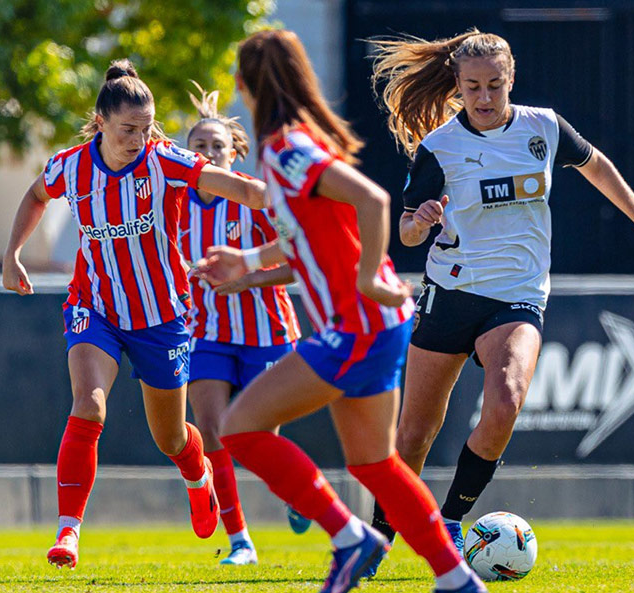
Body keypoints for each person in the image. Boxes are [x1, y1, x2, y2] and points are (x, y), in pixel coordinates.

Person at [364, 29, 634, 570]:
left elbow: (598, 166)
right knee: (414, 435)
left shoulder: (543, 127)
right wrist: (418, 222)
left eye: (495, 85)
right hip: (449, 293)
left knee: (506, 400)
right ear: (457, 86)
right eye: (473, 87)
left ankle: (448, 524)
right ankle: (377, 539)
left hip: (517, 297)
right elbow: (403, 232)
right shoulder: (440, 147)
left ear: (510, 80)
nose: (486, 97)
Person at [193, 30, 487, 593]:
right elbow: (310, 235)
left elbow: (372, 201)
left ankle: (350, 539)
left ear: (247, 83)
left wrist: (365, 281)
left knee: (237, 429)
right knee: (374, 465)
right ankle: (455, 578)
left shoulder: (286, 146)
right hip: (374, 325)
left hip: (357, 325)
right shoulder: (289, 144)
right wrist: (247, 261)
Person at [1, 59, 269, 569]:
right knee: (90, 404)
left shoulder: (163, 159)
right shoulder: (71, 165)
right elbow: (36, 195)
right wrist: (13, 252)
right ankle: (69, 532)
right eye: (128, 129)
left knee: (170, 437)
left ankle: (196, 476)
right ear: (100, 122)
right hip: (94, 306)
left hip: (161, 317)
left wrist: (285, 199)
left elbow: (233, 186)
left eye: (146, 129)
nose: (138, 138)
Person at [180, 84, 306, 565]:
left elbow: (301, 259)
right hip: (205, 333)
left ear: (235, 155)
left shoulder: (255, 202)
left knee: (256, 438)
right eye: (199, 146)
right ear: (186, 154)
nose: (208, 154)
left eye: (218, 146)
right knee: (211, 431)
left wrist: (247, 279)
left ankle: (297, 492)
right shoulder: (172, 206)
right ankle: (240, 542)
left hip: (265, 331)